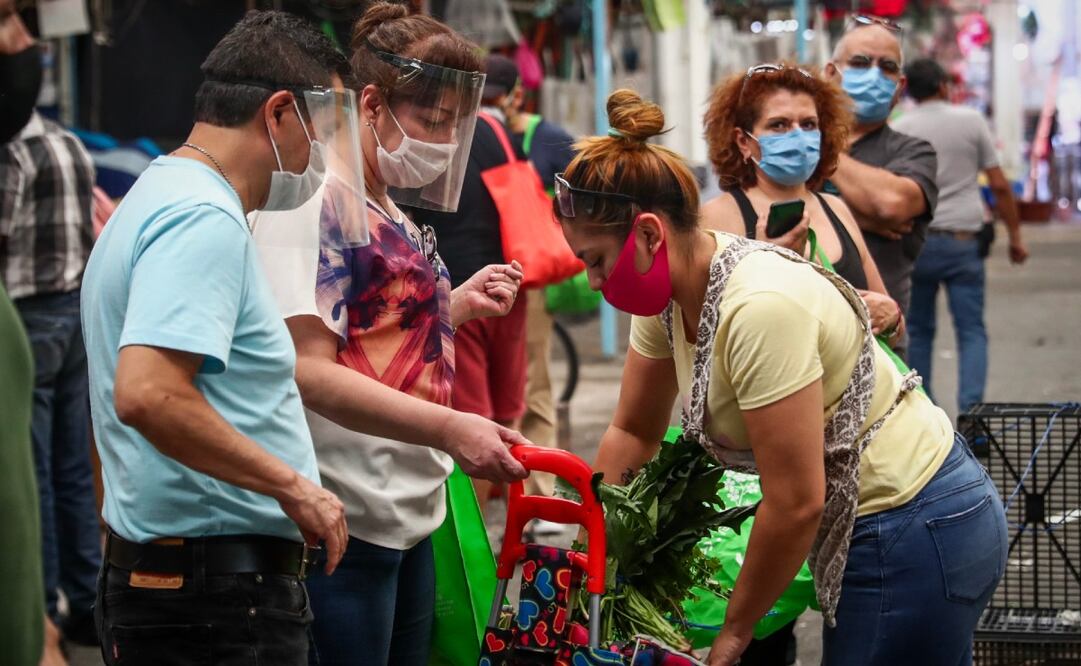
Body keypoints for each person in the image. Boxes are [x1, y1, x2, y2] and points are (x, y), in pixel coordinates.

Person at [557, 89, 1006, 666]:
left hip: (916, 522)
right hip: (859, 520)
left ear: (649, 235)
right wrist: (592, 558)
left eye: (596, 260)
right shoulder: (668, 298)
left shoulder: (759, 308)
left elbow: (795, 502)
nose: (593, 282)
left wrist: (735, 636)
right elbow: (633, 434)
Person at [248, 5, 528, 665]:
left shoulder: (382, 203)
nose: (442, 141)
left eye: (455, 126)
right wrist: (452, 429)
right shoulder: (313, 204)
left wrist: (453, 306)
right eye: (432, 121)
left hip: (406, 510)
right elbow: (308, 369)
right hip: (346, 520)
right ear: (370, 102)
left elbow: (369, 333)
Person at [81, 12, 350, 665]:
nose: (326, 160)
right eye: (325, 134)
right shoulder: (200, 217)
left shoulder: (158, 194)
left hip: (179, 584)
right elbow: (146, 394)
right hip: (217, 604)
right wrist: (293, 487)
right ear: (280, 114)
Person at [0, 0, 101, 651]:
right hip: (74, 316)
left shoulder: (16, 150)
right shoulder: (67, 142)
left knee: (25, 475)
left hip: (28, 319)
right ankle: (87, 597)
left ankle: (39, 609)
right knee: (71, 468)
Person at [409, 46, 533, 513]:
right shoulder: (501, 131)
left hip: (462, 287)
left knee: (472, 419)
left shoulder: (442, 137)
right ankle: (508, 530)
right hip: (510, 281)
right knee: (506, 411)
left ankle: (478, 537)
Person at [702, 63, 904, 347]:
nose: (797, 136)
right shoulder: (718, 219)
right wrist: (764, 266)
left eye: (808, 124)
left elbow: (892, 327)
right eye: (779, 125)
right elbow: (709, 335)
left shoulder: (836, 208)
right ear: (743, 142)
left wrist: (891, 316)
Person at [892, 58, 1030, 413]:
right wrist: (1016, 236)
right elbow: (999, 185)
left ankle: (927, 416)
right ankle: (973, 417)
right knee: (971, 332)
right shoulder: (971, 121)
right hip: (963, 242)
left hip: (917, 243)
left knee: (919, 331)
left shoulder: (901, 127)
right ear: (942, 85)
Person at [480, 53, 577, 511]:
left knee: (533, 384)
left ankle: (538, 493)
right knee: (506, 389)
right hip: (487, 280)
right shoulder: (481, 131)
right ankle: (508, 482)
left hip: (525, 278)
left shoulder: (549, 139)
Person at [824, 16, 939, 355]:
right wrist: (862, 216)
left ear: (900, 87)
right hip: (801, 343)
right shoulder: (792, 146)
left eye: (886, 67)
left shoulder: (914, 151)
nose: (873, 74)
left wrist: (821, 153)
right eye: (860, 62)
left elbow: (890, 204)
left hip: (879, 346)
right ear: (831, 74)